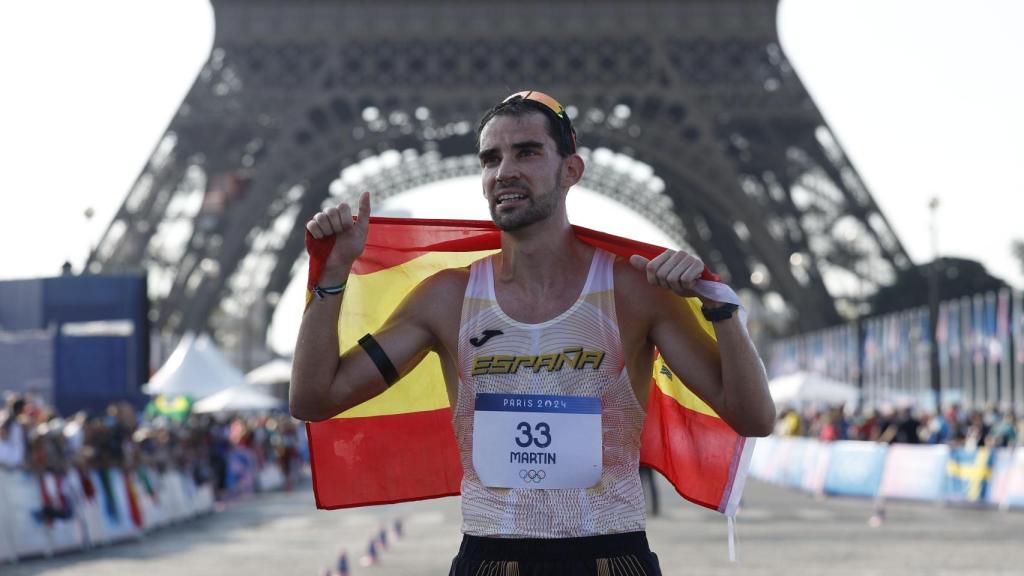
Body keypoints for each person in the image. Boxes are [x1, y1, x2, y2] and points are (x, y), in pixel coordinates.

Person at [291, 90, 775, 575]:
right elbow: (314, 399)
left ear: (572, 170)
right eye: (491, 158)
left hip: (610, 555)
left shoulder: (634, 290)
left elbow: (752, 417)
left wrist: (721, 310)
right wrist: (331, 277)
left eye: (527, 152)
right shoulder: (446, 298)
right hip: (491, 557)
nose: (504, 172)